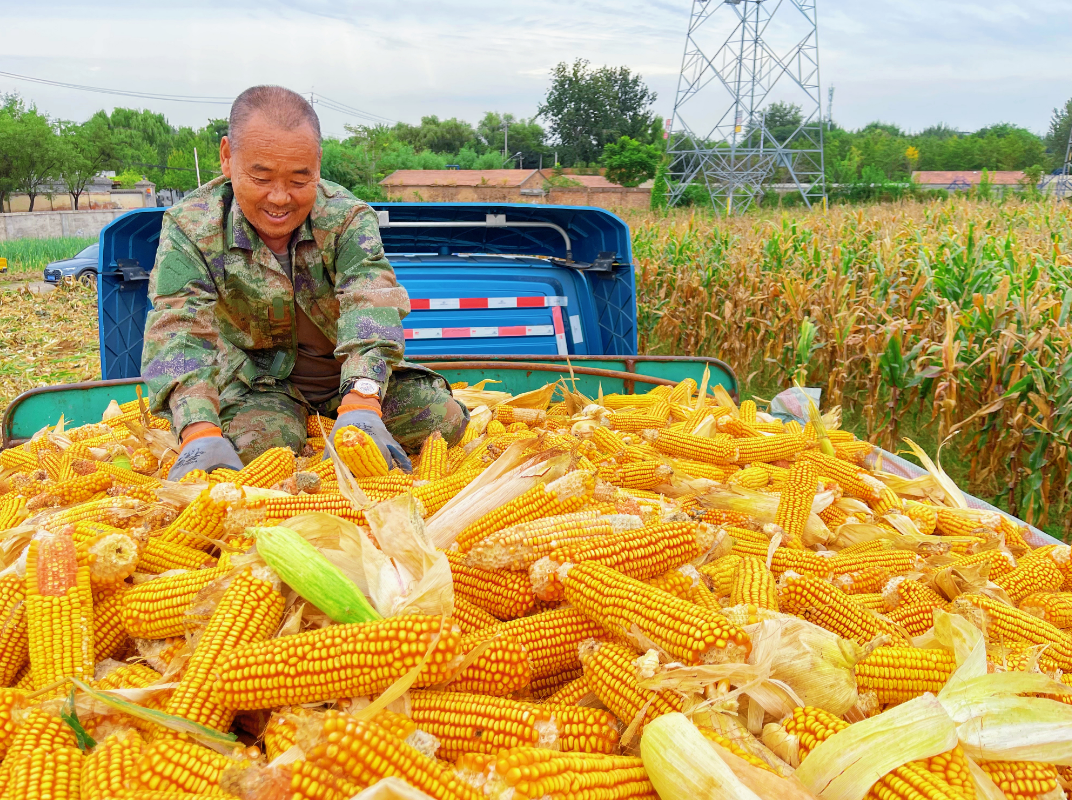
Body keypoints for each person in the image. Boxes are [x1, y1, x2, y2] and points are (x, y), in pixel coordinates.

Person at [142, 85, 468, 481]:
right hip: (261, 385)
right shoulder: (190, 225)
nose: (280, 198)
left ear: (317, 163)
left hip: (346, 378)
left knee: (444, 420)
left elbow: (372, 301)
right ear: (227, 158)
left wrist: (362, 401)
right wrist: (197, 429)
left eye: (300, 180)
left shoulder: (347, 219)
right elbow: (178, 326)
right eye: (260, 177)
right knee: (256, 450)